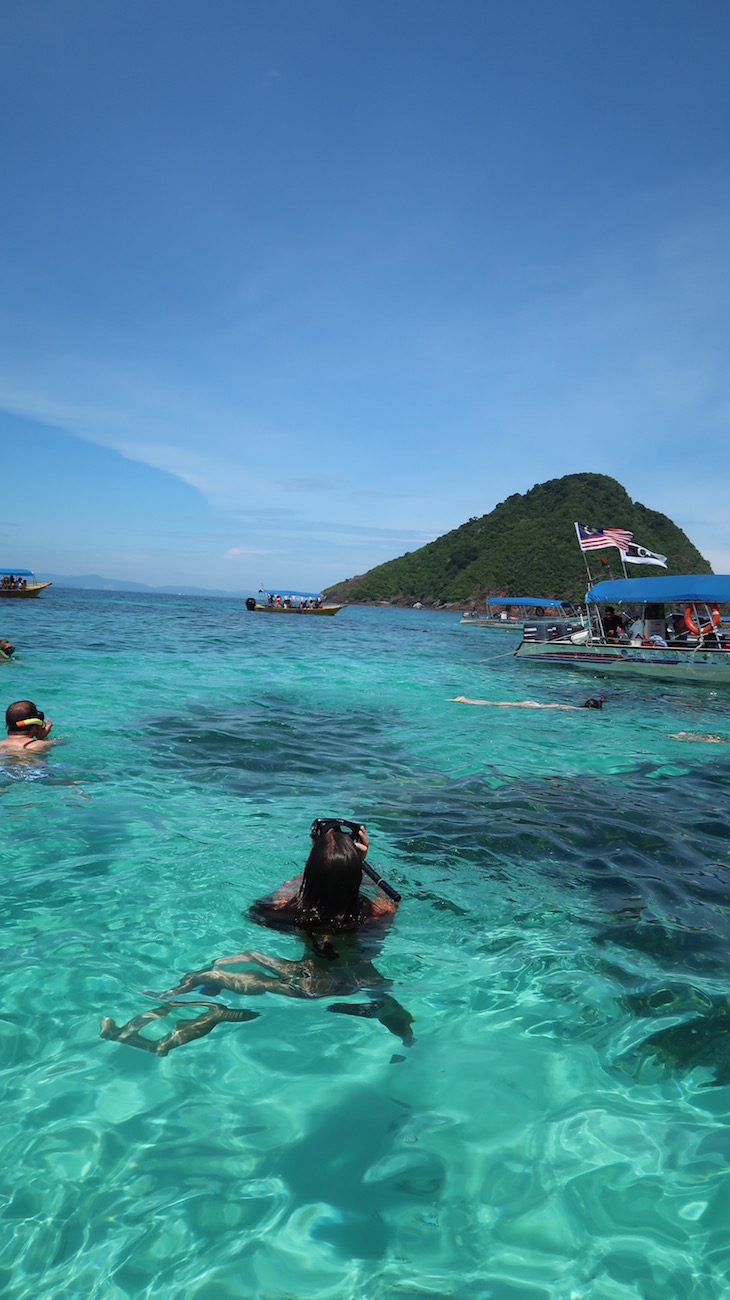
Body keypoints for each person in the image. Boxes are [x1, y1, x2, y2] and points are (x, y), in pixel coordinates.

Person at [100, 822, 411, 1055]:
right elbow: (374, 894)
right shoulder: (378, 913)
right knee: (230, 979)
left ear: (311, 873)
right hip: (349, 984)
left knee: (212, 973)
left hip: (302, 981)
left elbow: (273, 901)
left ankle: (166, 1005)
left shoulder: (286, 913)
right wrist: (358, 861)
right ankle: (177, 1023)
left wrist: (314, 863)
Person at [451, 695, 603, 710]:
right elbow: (563, 707)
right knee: (495, 704)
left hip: (534, 704)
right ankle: (465, 700)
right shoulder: (580, 709)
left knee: (496, 703)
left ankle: (466, 700)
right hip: (533, 706)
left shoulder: (578, 707)